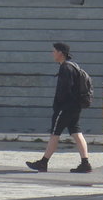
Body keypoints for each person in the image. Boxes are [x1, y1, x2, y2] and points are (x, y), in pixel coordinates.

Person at [27, 42, 92, 174]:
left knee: (55, 134)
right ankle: (85, 163)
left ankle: (43, 163)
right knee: (76, 133)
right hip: (75, 107)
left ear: (60, 53)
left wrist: (59, 106)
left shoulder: (65, 68)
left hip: (65, 108)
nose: (52, 53)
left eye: (54, 51)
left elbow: (65, 90)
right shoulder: (74, 67)